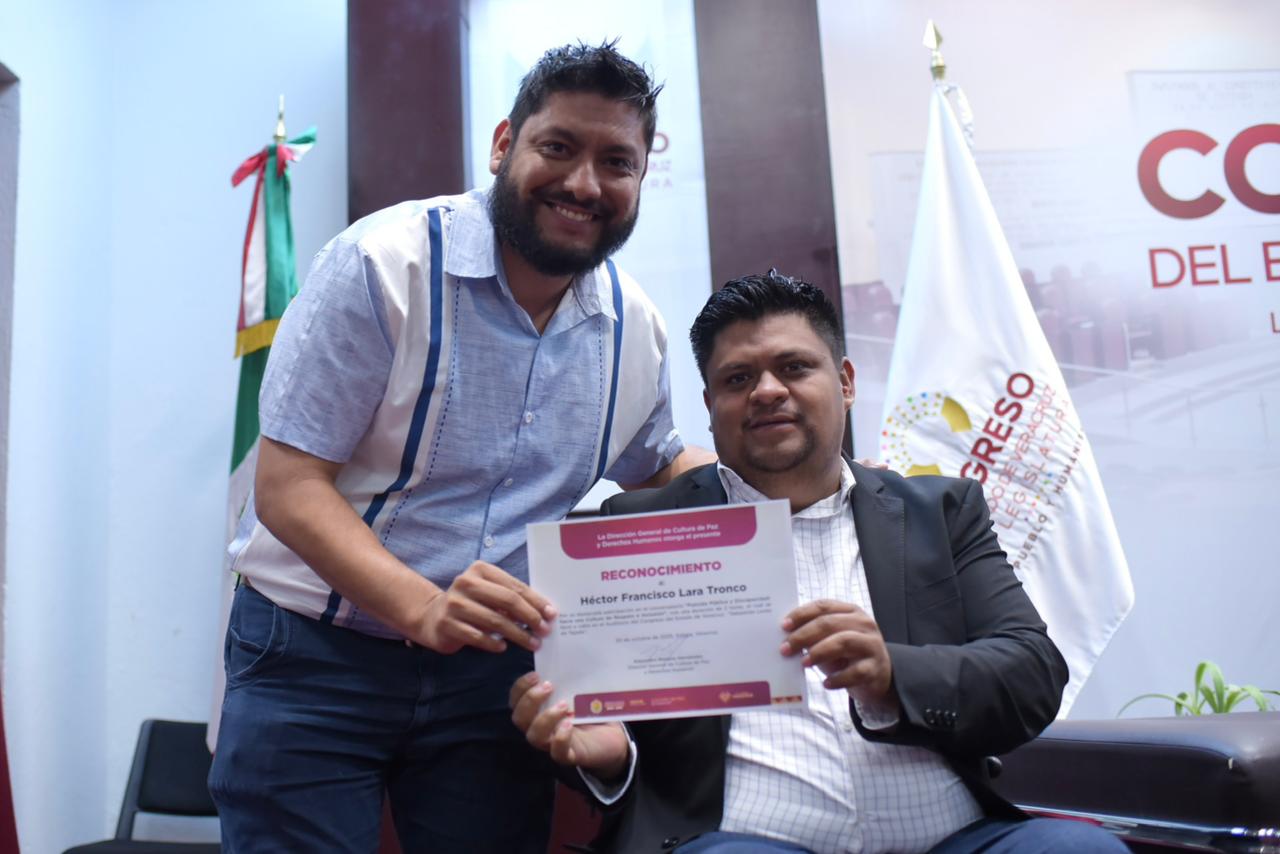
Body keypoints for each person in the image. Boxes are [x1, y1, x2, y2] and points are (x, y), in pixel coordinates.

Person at [209, 41, 712, 853]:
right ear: (504, 144)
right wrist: (425, 608)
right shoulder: (382, 265)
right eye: (558, 147)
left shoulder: (635, 326)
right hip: (313, 652)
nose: (585, 184)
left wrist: (803, 487)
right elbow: (289, 485)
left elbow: (662, 470)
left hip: (490, 675)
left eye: (616, 161)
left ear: (642, 176)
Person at [509, 271, 1129, 853]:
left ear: (846, 382)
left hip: (953, 836)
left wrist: (893, 673)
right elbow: (609, 722)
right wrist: (612, 757)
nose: (767, 391)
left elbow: (1031, 672)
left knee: (1081, 849)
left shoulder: (940, 512)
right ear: (710, 405)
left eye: (794, 367)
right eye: (738, 379)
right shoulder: (638, 530)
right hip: (745, 840)